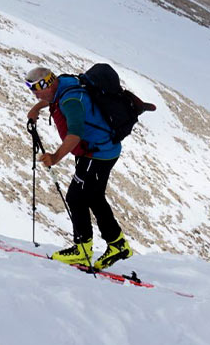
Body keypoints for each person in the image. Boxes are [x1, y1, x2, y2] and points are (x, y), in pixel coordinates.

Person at [24, 66, 133, 270]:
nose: (34, 93)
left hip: (97, 153)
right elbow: (52, 99)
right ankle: (117, 245)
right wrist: (37, 108)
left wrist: (55, 157)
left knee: (76, 197)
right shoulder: (64, 84)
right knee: (94, 196)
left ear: (48, 84)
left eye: (36, 89)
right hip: (104, 150)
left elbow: (74, 134)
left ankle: (82, 250)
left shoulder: (70, 101)